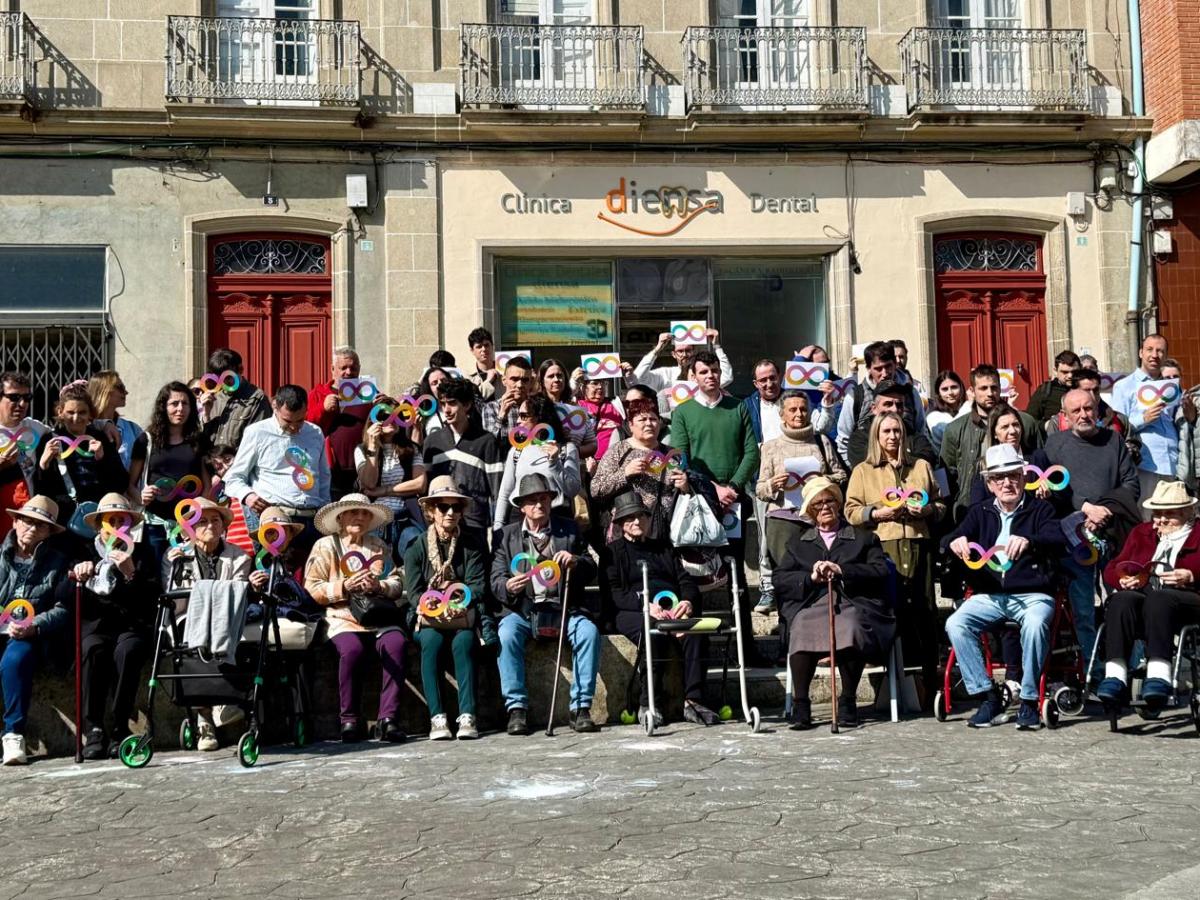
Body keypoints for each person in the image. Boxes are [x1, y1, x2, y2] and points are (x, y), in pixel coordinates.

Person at [942, 445, 1066, 730]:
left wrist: (1031, 541)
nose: (1007, 483)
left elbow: (1058, 538)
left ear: (1024, 477)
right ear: (989, 484)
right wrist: (955, 542)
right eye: (999, 478)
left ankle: (1030, 699)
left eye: (1012, 475)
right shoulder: (979, 512)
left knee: (1035, 626)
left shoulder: (1040, 509)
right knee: (956, 623)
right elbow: (950, 538)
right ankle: (988, 696)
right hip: (990, 594)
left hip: (1033, 594)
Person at [770, 477, 894, 730]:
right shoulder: (798, 543)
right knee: (802, 625)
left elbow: (880, 570)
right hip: (813, 601)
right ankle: (801, 704)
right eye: (818, 505)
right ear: (810, 512)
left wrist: (843, 570)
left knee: (850, 626)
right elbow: (780, 579)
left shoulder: (863, 538)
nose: (825, 508)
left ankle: (848, 700)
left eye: (829, 501)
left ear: (838, 505)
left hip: (852, 601)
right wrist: (811, 577)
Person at [844, 412, 945, 707]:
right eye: (886, 431)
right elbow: (851, 511)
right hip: (883, 544)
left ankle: (929, 684)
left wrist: (926, 511)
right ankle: (891, 683)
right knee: (892, 611)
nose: (892, 437)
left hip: (917, 543)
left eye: (897, 431)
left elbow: (940, 504)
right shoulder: (864, 471)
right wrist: (876, 513)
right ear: (877, 435)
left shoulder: (922, 466)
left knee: (924, 610)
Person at [669, 350, 763, 662]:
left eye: (714, 370)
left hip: (734, 502)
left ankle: (745, 649)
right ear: (692, 377)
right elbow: (682, 457)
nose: (710, 376)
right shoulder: (683, 412)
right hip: (698, 503)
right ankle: (697, 652)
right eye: (703, 372)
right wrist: (711, 489)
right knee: (696, 575)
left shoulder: (739, 407)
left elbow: (752, 452)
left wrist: (733, 487)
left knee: (735, 576)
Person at [490, 474, 598, 735]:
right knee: (506, 634)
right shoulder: (505, 536)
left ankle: (581, 708)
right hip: (524, 610)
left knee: (589, 633)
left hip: (563, 609)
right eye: (533, 500)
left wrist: (575, 561)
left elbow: (591, 566)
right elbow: (495, 578)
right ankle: (517, 708)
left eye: (544, 499)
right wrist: (507, 586)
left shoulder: (569, 529)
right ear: (522, 507)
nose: (539, 505)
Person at [1044, 388, 1141, 679]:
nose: (1084, 415)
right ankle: (1093, 668)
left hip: (1113, 535)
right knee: (1083, 609)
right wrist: (1085, 508)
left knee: (1124, 600)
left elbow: (1131, 484)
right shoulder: (1053, 446)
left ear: (1097, 409)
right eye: (1077, 411)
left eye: (1089, 408)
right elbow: (1053, 492)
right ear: (1065, 416)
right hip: (1075, 544)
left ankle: (1129, 664)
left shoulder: (1113, 441)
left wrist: (1104, 510)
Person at [162, 496, 265, 751]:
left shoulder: (239, 556)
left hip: (228, 619)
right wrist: (176, 570)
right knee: (193, 638)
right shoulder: (176, 555)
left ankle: (225, 702)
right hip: (188, 620)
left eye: (215, 520)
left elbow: (238, 597)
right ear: (190, 528)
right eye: (202, 521)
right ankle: (204, 718)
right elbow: (175, 602)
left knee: (226, 633)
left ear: (223, 526)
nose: (209, 526)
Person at [606, 492, 719, 726]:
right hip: (633, 611)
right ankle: (649, 704)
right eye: (630, 518)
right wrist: (644, 606)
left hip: (672, 608)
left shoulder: (663, 548)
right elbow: (615, 594)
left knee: (696, 631)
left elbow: (686, 581)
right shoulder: (613, 552)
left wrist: (686, 602)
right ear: (620, 524)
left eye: (641, 516)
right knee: (653, 633)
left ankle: (694, 702)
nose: (637, 522)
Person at [304, 493, 406, 742]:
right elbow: (311, 588)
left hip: (377, 616)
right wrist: (344, 586)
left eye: (364, 513)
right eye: (353, 512)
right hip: (342, 616)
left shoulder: (378, 545)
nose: (359, 517)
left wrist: (379, 586)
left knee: (396, 643)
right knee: (352, 650)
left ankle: (388, 719)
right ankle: (348, 719)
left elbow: (397, 581)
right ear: (340, 518)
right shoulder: (325, 545)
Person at [1097, 481, 1200, 711]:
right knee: (1121, 599)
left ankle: (1159, 675)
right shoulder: (1142, 533)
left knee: (1160, 598)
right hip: (1147, 601)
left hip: (1189, 600)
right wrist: (1123, 578)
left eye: (1169, 514)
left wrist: (1191, 575)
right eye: (1157, 513)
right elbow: (1113, 567)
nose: (1161, 520)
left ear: (1187, 512)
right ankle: (1115, 676)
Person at [72, 493, 157, 759]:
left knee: (128, 651)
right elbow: (66, 595)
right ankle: (94, 727)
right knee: (93, 649)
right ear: (99, 525)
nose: (117, 525)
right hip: (97, 626)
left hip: (132, 625)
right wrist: (78, 575)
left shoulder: (142, 552)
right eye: (111, 520)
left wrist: (131, 573)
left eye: (123, 520)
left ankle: (121, 725)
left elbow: (153, 598)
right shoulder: (83, 552)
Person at [404, 477, 489, 741]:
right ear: (431, 511)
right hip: (428, 617)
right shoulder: (416, 546)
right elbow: (414, 591)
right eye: (443, 507)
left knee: (464, 642)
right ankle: (437, 717)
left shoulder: (472, 543)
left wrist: (456, 601)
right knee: (430, 641)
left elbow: (478, 586)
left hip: (461, 614)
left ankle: (467, 715)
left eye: (456, 508)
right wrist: (432, 605)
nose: (450, 513)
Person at [754, 389, 847, 613]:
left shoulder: (821, 441)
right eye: (793, 410)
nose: (799, 414)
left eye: (804, 409)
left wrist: (821, 479)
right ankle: (787, 622)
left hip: (817, 518)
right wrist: (773, 485)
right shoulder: (771, 446)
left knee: (818, 573)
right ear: (782, 414)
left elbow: (841, 475)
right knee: (789, 575)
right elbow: (760, 488)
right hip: (783, 519)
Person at [0, 497, 74, 765]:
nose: (32, 529)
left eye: (40, 526)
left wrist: (35, 626)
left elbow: (62, 609)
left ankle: (13, 735)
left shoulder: (57, 563)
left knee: (15, 660)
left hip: (29, 634)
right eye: (27, 521)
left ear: (48, 532)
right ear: (15, 521)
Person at [222, 384, 330, 552]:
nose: (294, 427)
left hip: (312, 520)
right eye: (288, 421)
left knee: (310, 577)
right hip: (274, 520)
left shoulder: (315, 432)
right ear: (274, 407)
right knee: (270, 577)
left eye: (300, 420)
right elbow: (233, 478)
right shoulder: (257, 432)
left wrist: (324, 515)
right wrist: (248, 496)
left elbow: (323, 478)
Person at [128, 381, 211, 571]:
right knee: (153, 579)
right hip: (154, 525)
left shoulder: (199, 441)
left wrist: (197, 513)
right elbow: (130, 484)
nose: (180, 409)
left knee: (186, 577)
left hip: (189, 525)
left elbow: (207, 485)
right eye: (174, 404)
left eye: (185, 403)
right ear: (163, 407)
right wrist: (141, 495)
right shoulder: (145, 440)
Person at [941, 364, 1041, 521]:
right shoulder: (955, 429)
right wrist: (948, 509)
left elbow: (1039, 461)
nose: (990, 393)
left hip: (1021, 509)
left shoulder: (1026, 422)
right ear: (972, 391)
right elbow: (945, 474)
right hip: (969, 510)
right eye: (983, 388)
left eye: (994, 387)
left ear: (1001, 389)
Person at [1112, 335, 1197, 512]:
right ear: (1141, 353)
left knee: (1173, 519)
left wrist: (1190, 416)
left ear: (1165, 356)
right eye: (1150, 349)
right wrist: (1143, 419)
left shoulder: (1173, 387)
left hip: (1174, 462)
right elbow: (1116, 428)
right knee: (1148, 521)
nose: (1154, 355)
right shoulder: (1124, 386)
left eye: (1160, 351)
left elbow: (1181, 424)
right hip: (1145, 464)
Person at [32, 384, 128, 534]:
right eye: (70, 412)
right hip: (64, 522)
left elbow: (121, 484)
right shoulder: (50, 441)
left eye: (82, 412)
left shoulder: (100, 438)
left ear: (90, 414)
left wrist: (102, 459)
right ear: (60, 412)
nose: (76, 418)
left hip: (100, 520)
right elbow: (41, 491)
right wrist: (44, 464)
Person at [592, 398, 692, 539]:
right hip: (628, 533)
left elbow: (689, 496)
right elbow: (596, 490)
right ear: (630, 425)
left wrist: (685, 487)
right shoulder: (618, 451)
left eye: (653, 419)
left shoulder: (672, 455)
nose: (648, 424)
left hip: (667, 532)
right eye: (642, 420)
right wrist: (625, 473)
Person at [422, 378, 504, 543]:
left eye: (452, 403)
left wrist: (497, 530)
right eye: (443, 404)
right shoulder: (432, 441)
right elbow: (426, 488)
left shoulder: (486, 441)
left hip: (475, 526)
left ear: (467, 405)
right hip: (440, 525)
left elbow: (497, 491)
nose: (446, 410)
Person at [493, 396, 581, 532]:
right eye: (518, 416)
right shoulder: (517, 451)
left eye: (523, 416)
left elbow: (572, 490)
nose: (517, 421)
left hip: (557, 521)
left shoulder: (566, 449)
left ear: (539, 418)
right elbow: (505, 493)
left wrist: (555, 463)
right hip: (520, 520)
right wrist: (498, 526)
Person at [355, 396, 426, 561]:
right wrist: (373, 448)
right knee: (375, 566)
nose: (391, 420)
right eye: (384, 416)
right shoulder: (362, 450)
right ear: (373, 420)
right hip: (374, 521)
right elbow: (369, 483)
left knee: (417, 549)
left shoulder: (411, 449)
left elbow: (420, 484)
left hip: (403, 518)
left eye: (397, 416)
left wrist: (383, 490)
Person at [833, 341, 927, 462]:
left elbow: (921, 432)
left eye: (888, 366)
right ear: (868, 368)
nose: (885, 373)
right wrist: (856, 473)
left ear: (895, 364)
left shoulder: (911, 393)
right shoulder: (855, 397)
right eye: (878, 369)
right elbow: (843, 442)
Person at [305, 347, 373, 501]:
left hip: (362, 467)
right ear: (333, 369)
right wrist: (323, 408)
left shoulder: (367, 393)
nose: (349, 372)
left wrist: (381, 406)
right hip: (330, 469)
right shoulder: (318, 393)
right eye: (343, 368)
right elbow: (305, 426)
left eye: (353, 368)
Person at [632, 328, 733, 414]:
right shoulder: (665, 373)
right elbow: (638, 378)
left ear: (694, 351)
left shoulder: (703, 374)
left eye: (688, 350)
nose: (684, 354)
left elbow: (727, 377)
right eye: (680, 351)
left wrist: (717, 346)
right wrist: (657, 349)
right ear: (673, 354)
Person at [967, 404, 1052, 507]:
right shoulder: (982, 465)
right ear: (994, 433)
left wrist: (1048, 495)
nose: (1012, 431)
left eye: (1016, 425)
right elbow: (975, 507)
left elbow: (1061, 498)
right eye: (1005, 427)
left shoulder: (1038, 457)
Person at [844, 379, 938, 469]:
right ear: (874, 408)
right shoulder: (860, 436)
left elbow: (927, 457)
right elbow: (865, 464)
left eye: (899, 405)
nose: (895, 409)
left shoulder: (910, 431)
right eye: (888, 404)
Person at [0, 372, 47, 538]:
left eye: (27, 398)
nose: (21, 404)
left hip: (23, 519)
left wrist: (104, 424)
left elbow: (69, 431)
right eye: (14, 397)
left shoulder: (34, 428)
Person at [199, 348, 272, 449]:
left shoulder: (256, 399)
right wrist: (206, 414)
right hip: (212, 462)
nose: (223, 384)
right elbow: (202, 441)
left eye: (228, 378)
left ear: (240, 370)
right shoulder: (213, 398)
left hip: (239, 463)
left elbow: (259, 441)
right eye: (218, 379)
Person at [88, 370, 143, 470]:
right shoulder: (85, 428)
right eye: (120, 387)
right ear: (104, 390)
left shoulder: (133, 429)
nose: (126, 392)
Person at [1025, 351, 1081, 425]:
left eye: (1074, 372)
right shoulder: (1045, 391)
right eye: (1065, 372)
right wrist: (1045, 426)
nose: (1070, 376)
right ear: (1055, 371)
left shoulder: (1087, 388)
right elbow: (1030, 421)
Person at [927, 370, 968, 455]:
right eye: (945, 389)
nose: (950, 393)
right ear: (939, 393)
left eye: (954, 387)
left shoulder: (970, 409)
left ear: (961, 387)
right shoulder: (934, 416)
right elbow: (954, 434)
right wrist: (969, 405)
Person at [467, 327, 501, 401]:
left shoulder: (504, 370)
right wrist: (488, 381)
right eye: (479, 347)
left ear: (492, 346)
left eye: (486, 345)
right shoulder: (468, 377)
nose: (484, 349)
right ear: (472, 350)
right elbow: (471, 402)